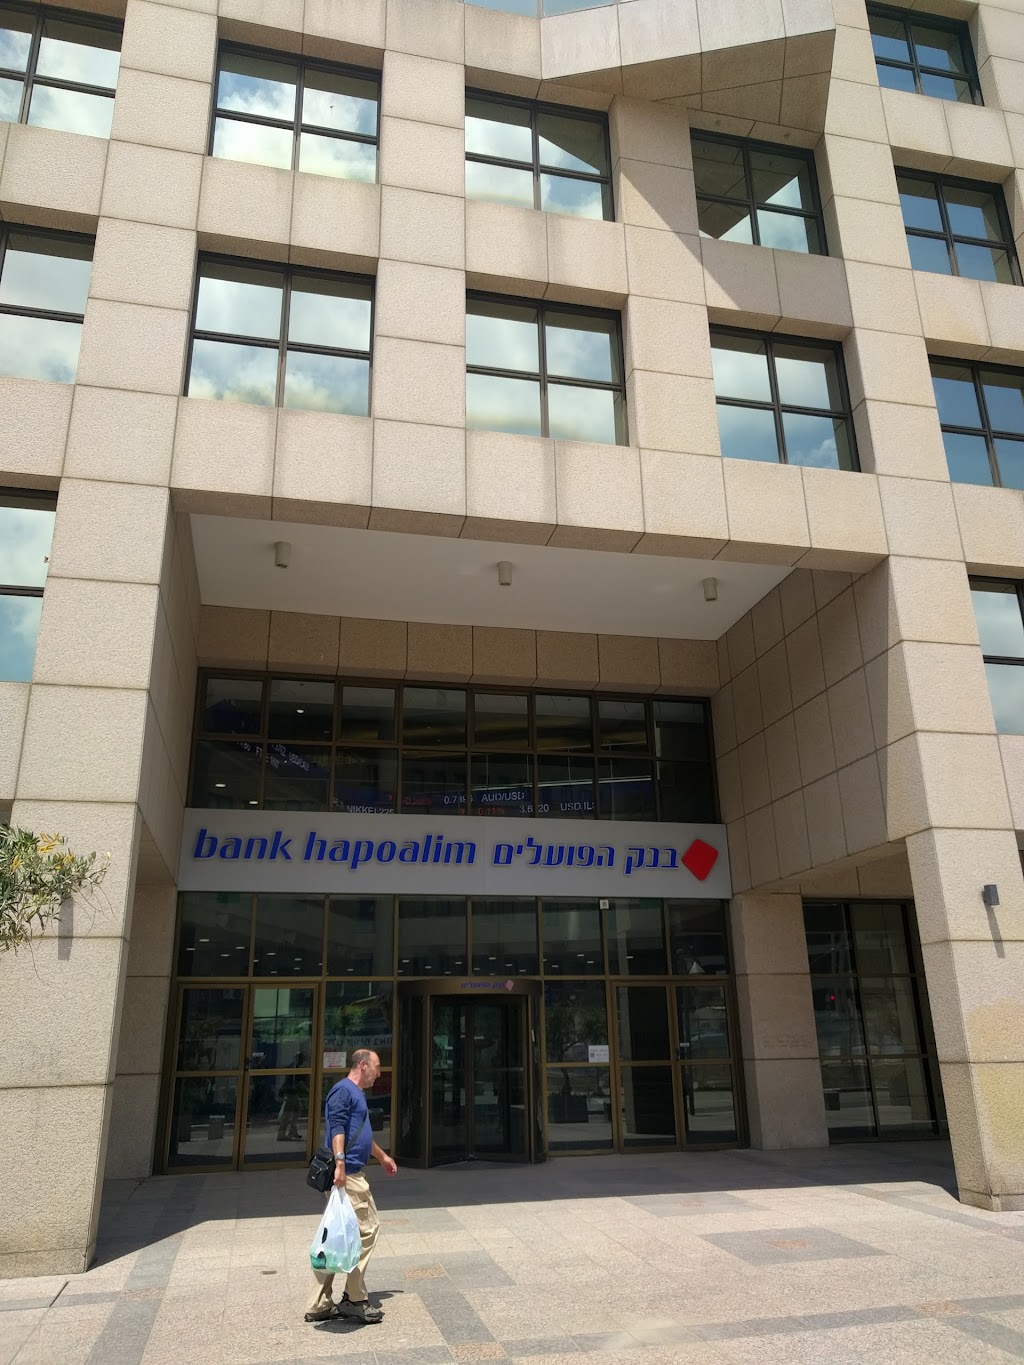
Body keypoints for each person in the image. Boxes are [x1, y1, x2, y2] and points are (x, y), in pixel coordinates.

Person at [305, 1049, 397, 1325]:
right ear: (363, 1065)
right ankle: (354, 1298)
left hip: (351, 1172)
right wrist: (341, 1166)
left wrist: (382, 1157)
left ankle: (319, 1303)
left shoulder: (356, 1093)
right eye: (377, 1067)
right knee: (367, 1230)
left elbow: (361, 1134)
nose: (379, 1073)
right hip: (348, 1175)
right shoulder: (343, 1091)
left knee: (338, 1237)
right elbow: (337, 1129)